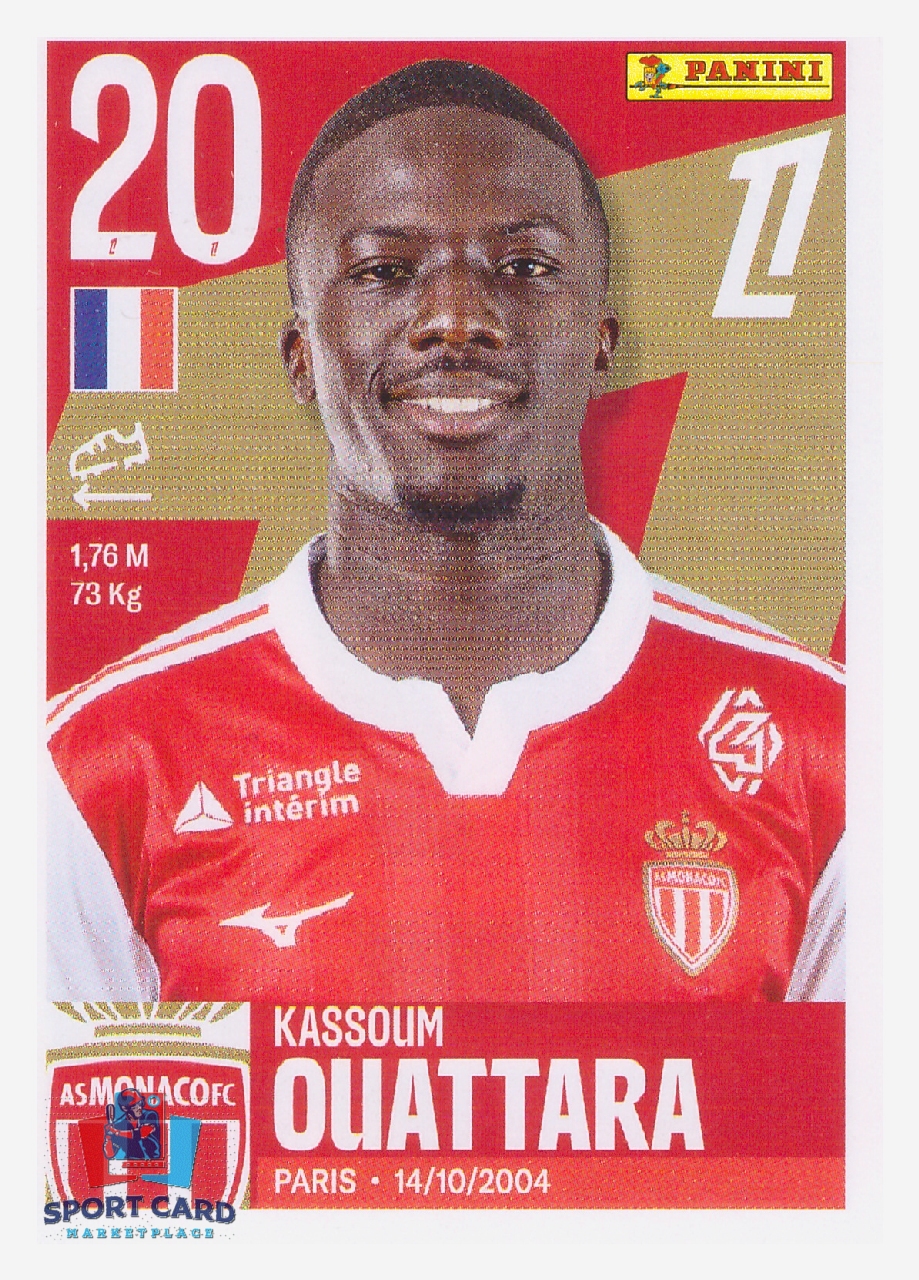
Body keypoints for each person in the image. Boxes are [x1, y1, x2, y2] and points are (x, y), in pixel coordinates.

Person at [47, 60, 844, 1002]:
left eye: (525, 267)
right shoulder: (104, 763)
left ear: (601, 342)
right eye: (385, 272)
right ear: (301, 358)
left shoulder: (827, 748)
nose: (458, 320)